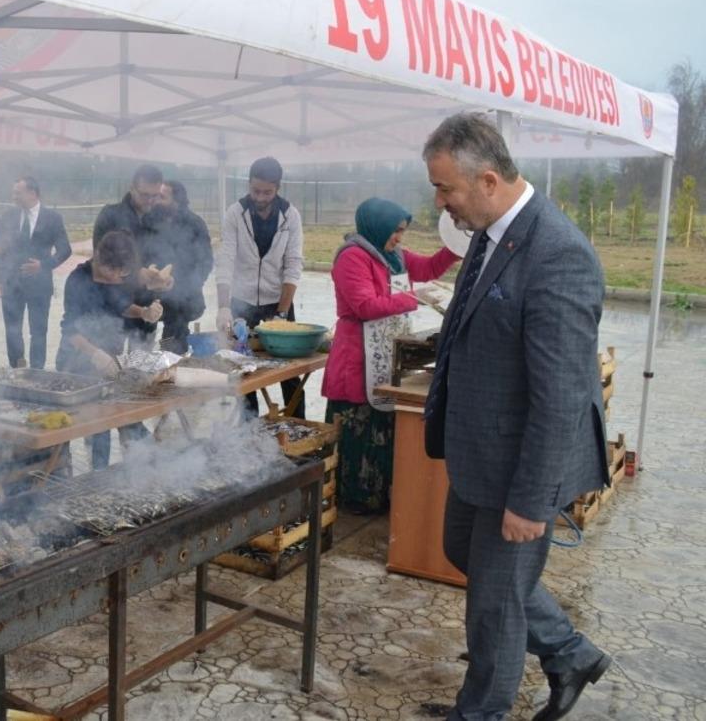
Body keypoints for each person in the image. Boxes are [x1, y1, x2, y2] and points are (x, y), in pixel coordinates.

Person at [422, 114, 611, 720]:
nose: (440, 201)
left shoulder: (558, 253)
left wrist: (531, 502)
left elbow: (560, 395)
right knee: (461, 549)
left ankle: (480, 711)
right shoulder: (490, 227)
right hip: (482, 451)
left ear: (488, 179)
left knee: (494, 603)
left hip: (521, 462)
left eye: (445, 188)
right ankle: (569, 651)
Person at [321, 198, 458, 514]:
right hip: (356, 356)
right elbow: (365, 307)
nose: (399, 238)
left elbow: (429, 267)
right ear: (378, 226)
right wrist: (411, 299)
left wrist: (455, 247)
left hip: (384, 351)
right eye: (395, 231)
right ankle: (351, 499)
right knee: (357, 428)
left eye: (402, 232)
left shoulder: (393, 256)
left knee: (381, 425)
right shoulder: (352, 258)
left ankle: (378, 495)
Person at [55, 230, 162, 469]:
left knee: (120, 413)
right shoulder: (78, 280)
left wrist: (143, 312)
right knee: (97, 425)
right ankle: (93, 479)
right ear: (98, 257)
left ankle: (141, 470)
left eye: (121, 273)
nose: (116, 278)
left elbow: (121, 306)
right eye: (111, 272)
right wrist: (94, 353)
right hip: (77, 362)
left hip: (110, 361)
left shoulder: (120, 274)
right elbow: (69, 329)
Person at [215, 157, 304, 417]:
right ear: (249, 184)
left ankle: (298, 427)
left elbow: (293, 265)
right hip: (242, 303)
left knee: (289, 372)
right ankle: (247, 433)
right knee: (243, 373)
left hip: (278, 303)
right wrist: (223, 307)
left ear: (277, 188)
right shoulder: (235, 213)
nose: (261, 197)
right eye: (256, 191)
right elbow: (226, 260)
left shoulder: (290, 215)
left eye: (267, 192)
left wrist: (281, 314)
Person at [0, 176, 72, 369]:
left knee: (38, 332)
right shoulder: (8, 216)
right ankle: (17, 369)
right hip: (11, 285)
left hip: (39, 285)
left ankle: (37, 372)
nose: (14, 196)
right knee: (12, 331)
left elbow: (65, 250)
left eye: (18, 193)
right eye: (14, 192)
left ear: (32, 193)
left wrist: (44, 265)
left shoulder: (52, 218)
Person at [91, 164, 171, 346]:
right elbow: (100, 261)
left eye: (155, 195)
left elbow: (166, 255)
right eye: (144, 195)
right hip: (114, 305)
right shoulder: (110, 215)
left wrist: (166, 280)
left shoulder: (160, 218)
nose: (150, 200)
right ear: (132, 188)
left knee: (142, 365)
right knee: (112, 367)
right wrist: (136, 274)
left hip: (147, 307)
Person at [146, 180, 213, 353]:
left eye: (162, 197)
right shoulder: (148, 221)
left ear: (177, 201)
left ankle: (172, 365)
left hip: (184, 299)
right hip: (148, 296)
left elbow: (205, 262)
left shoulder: (195, 224)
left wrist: (180, 283)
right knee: (141, 341)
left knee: (172, 343)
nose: (155, 200)